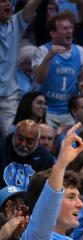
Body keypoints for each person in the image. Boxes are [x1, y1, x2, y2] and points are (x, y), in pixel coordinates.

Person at [32, 11, 83, 129]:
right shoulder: (42, 51)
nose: (70, 31)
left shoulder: (80, 51)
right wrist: (49, 57)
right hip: (47, 110)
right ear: (53, 33)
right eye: (65, 28)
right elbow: (39, 79)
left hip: (69, 112)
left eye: (71, 28)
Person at [0, 0, 42, 137]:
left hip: (9, 96)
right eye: (2, 1)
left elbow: (33, 5)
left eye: (9, 1)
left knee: (12, 137)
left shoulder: (15, 23)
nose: (8, 5)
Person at [1, 120, 55, 189]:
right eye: (20, 139)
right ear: (14, 134)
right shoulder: (2, 147)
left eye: (29, 141)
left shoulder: (46, 159)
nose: (23, 144)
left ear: (36, 141)